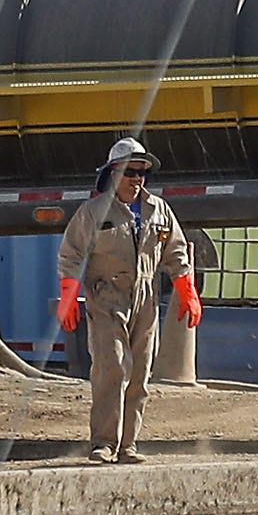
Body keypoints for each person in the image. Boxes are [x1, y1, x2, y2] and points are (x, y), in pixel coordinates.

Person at [55, 137, 192, 462]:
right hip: (106, 298)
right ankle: (104, 443)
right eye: (130, 172)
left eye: (142, 172)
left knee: (141, 372)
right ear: (113, 173)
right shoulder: (93, 212)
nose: (137, 179)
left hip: (145, 299)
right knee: (112, 367)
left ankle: (128, 445)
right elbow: (71, 255)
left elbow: (175, 249)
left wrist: (186, 288)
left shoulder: (159, 210)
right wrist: (68, 296)